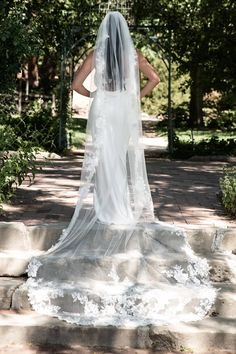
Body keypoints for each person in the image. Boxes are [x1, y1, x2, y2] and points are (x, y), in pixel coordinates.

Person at [26, 11, 216, 327]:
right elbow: (155, 79)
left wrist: (95, 94)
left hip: (104, 107)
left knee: (104, 159)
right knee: (118, 156)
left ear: (105, 32)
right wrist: (134, 97)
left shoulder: (95, 54)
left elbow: (75, 85)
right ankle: (120, 209)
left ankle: (106, 208)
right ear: (124, 31)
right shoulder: (134, 54)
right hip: (124, 108)